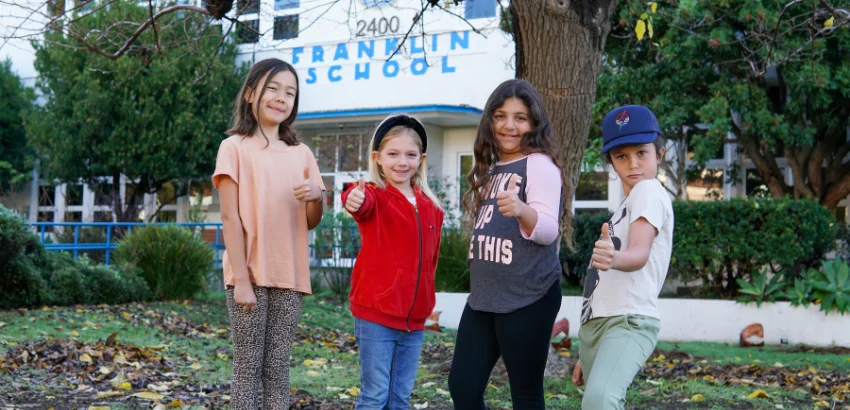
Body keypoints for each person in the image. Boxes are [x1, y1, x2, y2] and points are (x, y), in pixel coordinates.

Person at [448, 79, 573, 409]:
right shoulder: (493, 168)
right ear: (490, 120)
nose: (509, 125)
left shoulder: (539, 164)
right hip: (484, 298)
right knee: (462, 386)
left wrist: (522, 210)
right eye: (501, 115)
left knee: (526, 393)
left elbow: (547, 230)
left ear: (534, 123)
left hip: (528, 296)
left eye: (520, 117)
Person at [212, 58, 324, 410]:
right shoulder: (233, 148)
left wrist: (318, 198)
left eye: (290, 92)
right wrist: (241, 280)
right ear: (250, 94)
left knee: (277, 369)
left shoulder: (302, 153)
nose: (281, 97)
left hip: (290, 276)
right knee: (247, 368)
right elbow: (230, 217)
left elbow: (311, 220)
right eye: (273, 88)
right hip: (248, 275)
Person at [572, 104, 675, 410]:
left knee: (600, 401)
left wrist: (614, 258)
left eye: (642, 153)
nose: (633, 164)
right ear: (612, 163)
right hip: (600, 326)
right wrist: (587, 349)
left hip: (626, 321)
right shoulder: (626, 206)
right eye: (621, 156)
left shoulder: (648, 191)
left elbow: (640, 253)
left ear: (660, 153)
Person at [341, 114, 445, 410]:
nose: (402, 162)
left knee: (399, 398)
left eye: (410, 155)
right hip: (377, 315)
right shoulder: (375, 195)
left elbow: (431, 262)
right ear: (378, 158)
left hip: (414, 320)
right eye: (393, 154)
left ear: (421, 159)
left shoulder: (431, 206)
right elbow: (358, 202)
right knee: (375, 396)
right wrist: (353, 198)